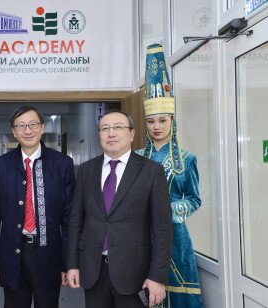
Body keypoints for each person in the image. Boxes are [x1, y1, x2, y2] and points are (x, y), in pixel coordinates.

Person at [66, 110, 173, 308]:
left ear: (131, 134)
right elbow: (76, 221)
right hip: (93, 271)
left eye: (118, 127)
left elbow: (162, 229)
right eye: (105, 129)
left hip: (134, 273)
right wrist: (72, 264)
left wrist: (157, 276)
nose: (111, 133)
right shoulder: (86, 170)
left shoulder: (151, 171)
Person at [137, 43, 203, 307]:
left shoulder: (187, 159)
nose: (156, 127)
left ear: (172, 121)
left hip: (177, 240)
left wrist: (168, 210)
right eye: (152, 121)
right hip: (142, 236)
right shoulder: (137, 157)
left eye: (162, 121)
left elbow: (195, 200)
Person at [0, 106, 75, 308]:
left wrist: (68, 262)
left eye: (33, 124)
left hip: (48, 253)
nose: (27, 130)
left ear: (42, 127)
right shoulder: (2, 165)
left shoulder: (62, 164)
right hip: (12, 252)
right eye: (21, 126)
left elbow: (70, 219)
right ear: (13, 131)